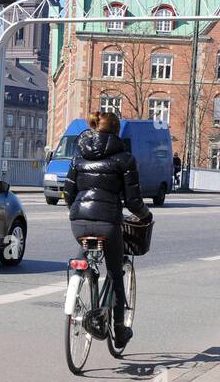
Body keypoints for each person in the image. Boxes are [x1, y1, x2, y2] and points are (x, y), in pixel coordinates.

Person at [61, 111, 153, 350]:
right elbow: (133, 201)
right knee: (114, 273)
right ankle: (120, 330)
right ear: (116, 131)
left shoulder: (78, 155)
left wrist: (78, 211)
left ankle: (78, 281)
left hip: (78, 222)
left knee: (83, 254)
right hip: (109, 224)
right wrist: (146, 215)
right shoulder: (125, 159)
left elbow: (67, 193)